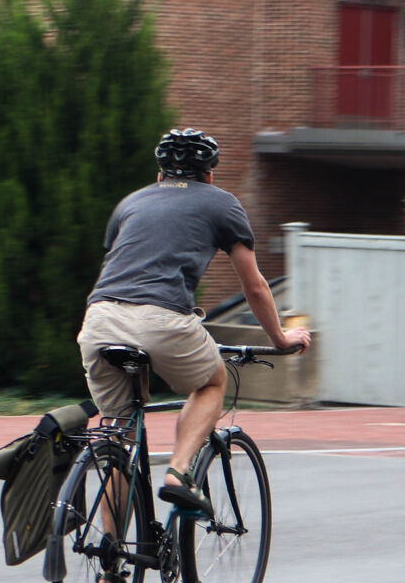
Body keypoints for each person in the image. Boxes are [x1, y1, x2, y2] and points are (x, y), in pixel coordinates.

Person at [78, 128, 311, 557]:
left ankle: (110, 567)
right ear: (209, 174)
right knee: (211, 382)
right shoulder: (221, 203)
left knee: (119, 439)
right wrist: (279, 338)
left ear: (160, 172)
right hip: (163, 319)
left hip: (100, 320)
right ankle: (179, 474)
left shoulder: (131, 201)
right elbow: (256, 286)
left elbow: (119, 263)